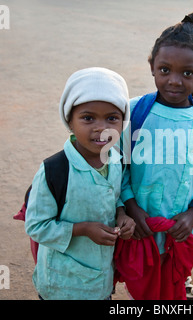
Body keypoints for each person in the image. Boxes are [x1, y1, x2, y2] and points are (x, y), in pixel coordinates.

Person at [116, 13, 193, 300]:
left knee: (173, 287)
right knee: (140, 290)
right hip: (139, 230)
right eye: (165, 70)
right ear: (152, 66)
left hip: (181, 233)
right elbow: (116, 165)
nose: (175, 81)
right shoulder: (134, 113)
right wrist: (129, 205)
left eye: (187, 73)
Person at [25, 67, 136, 300]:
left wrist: (122, 215)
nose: (100, 127)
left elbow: (113, 196)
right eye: (88, 118)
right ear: (70, 121)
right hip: (60, 285)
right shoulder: (54, 170)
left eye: (112, 118)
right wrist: (82, 229)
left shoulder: (115, 159)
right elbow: (36, 226)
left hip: (100, 284)